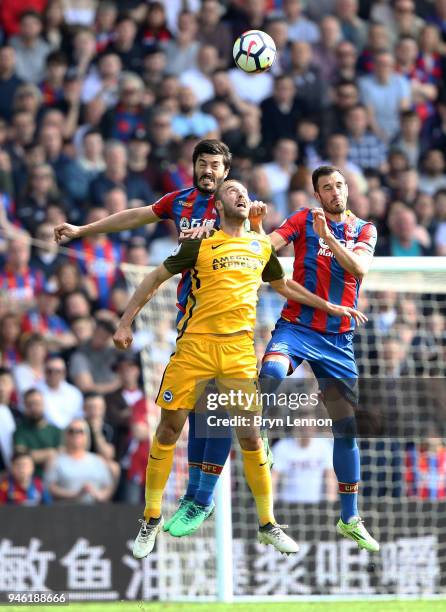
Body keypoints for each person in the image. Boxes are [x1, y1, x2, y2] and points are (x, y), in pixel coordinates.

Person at [112, 178, 366, 559]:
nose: (241, 195)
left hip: (237, 353)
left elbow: (286, 286)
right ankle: (150, 517)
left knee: (249, 436)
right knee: (168, 428)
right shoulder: (198, 245)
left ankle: (268, 524)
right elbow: (154, 279)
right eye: (232, 191)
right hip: (194, 348)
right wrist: (125, 321)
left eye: (244, 192)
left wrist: (328, 307)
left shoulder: (261, 245)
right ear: (217, 205)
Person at [251, 165, 379, 552]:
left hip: (338, 341)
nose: (335, 191)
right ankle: (263, 436)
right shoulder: (304, 218)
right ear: (317, 194)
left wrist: (329, 239)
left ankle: (350, 517)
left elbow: (359, 268)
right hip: (298, 326)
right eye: (327, 187)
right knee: (271, 369)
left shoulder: (364, 230)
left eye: (339, 185)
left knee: (346, 430)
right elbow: (266, 248)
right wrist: (256, 228)